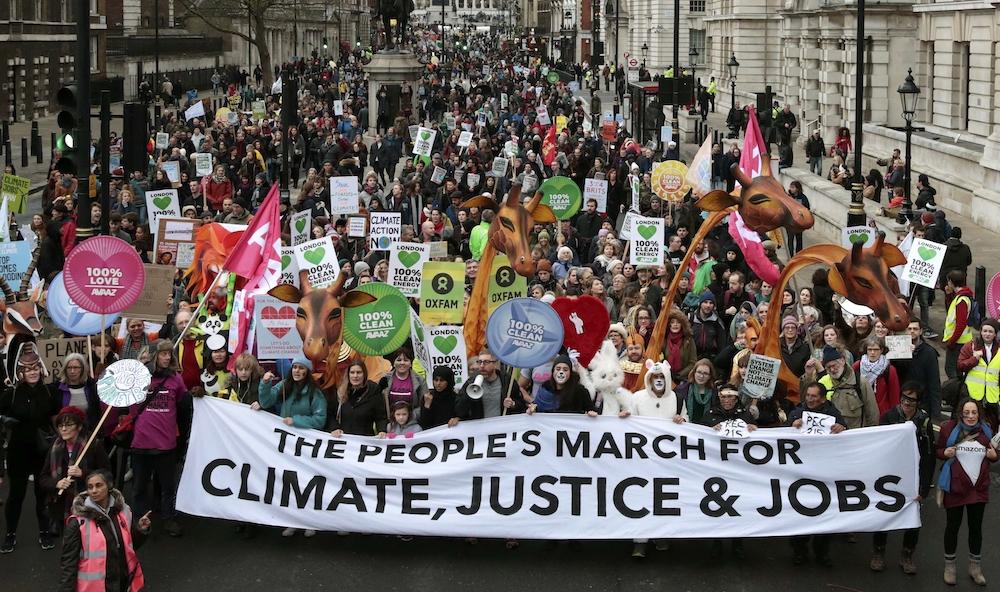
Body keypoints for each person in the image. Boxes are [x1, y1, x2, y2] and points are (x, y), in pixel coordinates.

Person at [870, 382, 936, 574]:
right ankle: (878, 552)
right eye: (904, 398)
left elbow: (929, 457)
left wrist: (924, 488)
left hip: (912, 477)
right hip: (889, 475)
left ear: (919, 402)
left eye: (912, 400)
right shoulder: (889, 416)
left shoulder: (923, 421)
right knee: (883, 513)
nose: (906, 403)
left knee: (912, 516)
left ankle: (907, 555)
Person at [258, 358, 327, 538]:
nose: (296, 371)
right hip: (287, 443)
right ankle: (293, 520)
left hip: (306, 445)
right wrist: (265, 384)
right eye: (294, 367)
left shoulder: (314, 393)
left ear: (307, 371)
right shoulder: (284, 385)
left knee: (307, 482)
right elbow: (266, 402)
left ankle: (311, 521)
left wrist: (296, 421)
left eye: (301, 368)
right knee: (290, 481)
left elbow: (320, 419)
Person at [129, 339, 189, 538]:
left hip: (165, 443)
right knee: (139, 486)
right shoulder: (138, 378)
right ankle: (139, 519)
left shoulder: (175, 379)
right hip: (141, 442)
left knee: (167, 486)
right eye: (163, 354)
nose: (167, 357)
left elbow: (182, 405)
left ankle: (169, 517)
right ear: (154, 356)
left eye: (169, 354)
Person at [0, 347, 58, 553]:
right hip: (18, 451)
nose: (32, 372)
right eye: (27, 369)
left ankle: (44, 531)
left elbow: (57, 418)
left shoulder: (50, 391)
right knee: (16, 494)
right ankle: (10, 534)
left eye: (35, 368)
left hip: (43, 451)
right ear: (20, 373)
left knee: (42, 493)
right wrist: (2, 419)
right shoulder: (11, 394)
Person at [936, 397, 997, 585]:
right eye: (967, 412)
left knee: (976, 529)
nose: (971, 416)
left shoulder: (986, 431)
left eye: (974, 412)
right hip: (956, 488)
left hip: (978, 490)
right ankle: (950, 567)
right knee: (952, 528)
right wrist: (944, 453)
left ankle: (975, 568)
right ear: (960, 413)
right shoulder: (948, 430)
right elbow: (938, 450)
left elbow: (994, 453)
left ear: (979, 414)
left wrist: (995, 456)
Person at [59, 470, 151, 592]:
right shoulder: (77, 523)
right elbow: (69, 564)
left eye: (99, 485)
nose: (94, 491)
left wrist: (140, 529)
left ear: (110, 485)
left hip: (122, 583)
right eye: (90, 487)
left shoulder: (124, 511)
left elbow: (129, 546)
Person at [786, 382, 846, 566]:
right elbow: (780, 438)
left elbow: (848, 437)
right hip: (801, 472)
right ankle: (800, 550)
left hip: (825, 472)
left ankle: (822, 552)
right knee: (801, 512)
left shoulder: (834, 414)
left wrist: (841, 429)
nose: (810, 399)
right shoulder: (797, 413)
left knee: (825, 513)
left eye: (814, 397)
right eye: (808, 396)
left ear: (823, 399)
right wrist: (791, 426)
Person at [702, 384, 757, 559]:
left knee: (738, 508)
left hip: (738, 470)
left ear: (736, 399)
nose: (727, 401)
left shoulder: (745, 415)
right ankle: (716, 544)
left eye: (730, 398)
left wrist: (754, 429)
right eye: (724, 397)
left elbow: (757, 440)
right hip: (716, 470)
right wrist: (710, 429)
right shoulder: (710, 415)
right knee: (716, 509)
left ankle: (737, 544)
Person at [40, 406, 113, 529]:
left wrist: (83, 473)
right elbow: (43, 478)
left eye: (68, 425)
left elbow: (107, 474)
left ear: (79, 426)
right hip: (62, 506)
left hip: (89, 504)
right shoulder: (55, 447)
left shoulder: (93, 445)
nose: (63, 429)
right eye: (60, 426)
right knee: (69, 544)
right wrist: (57, 483)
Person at [802, 345, 879, 429]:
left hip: (854, 436)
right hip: (830, 436)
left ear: (842, 361)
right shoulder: (823, 382)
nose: (832, 370)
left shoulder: (860, 383)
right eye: (828, 367)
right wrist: (808, 375)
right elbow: (806, 403)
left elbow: (872, 413)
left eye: (834, 365)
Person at [455, 349, 526, 420]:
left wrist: (513, 404)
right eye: (480, 362)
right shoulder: (470, 382)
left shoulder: (507, 380)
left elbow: (522, 405)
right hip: (480, 428)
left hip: (502, 427)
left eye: (486, 362)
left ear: (496, 364)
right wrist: (469, 393)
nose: (482, 366)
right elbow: (459, 410)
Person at [327, 359, 387, 438]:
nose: (355, 376)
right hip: (343, 440)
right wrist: (335, 428)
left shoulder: (374, 393)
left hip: (365, 441)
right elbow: (330, 415)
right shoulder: (340, 393)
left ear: (364, 374)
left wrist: (382, 430)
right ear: (348, 374)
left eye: (359, 372)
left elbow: (381, 417)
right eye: (352, 372)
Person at [958, 318, 1000, 429]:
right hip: (973, 394)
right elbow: (960, 365)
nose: (987, 334)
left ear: (995, 334)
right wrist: (974, 359)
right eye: (985, 331)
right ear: (981, 332)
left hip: (993, 396)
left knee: (992, 427)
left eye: (990, 332)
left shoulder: (999, 350)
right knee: (971, 425)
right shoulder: (970, 346)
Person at [527, 356, 597, 416]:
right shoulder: (545, 388)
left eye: (565, 370)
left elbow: (591, 410)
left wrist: (591, 413)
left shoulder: (580, 391)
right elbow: (536, 407)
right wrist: (531, 410)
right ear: (553, 371)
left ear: (570, 373)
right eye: (558, 369)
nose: (561, 372)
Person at [853, 335, 901, 417]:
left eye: (876, 350)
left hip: (882, 413)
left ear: (881, 350)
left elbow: (894, 394)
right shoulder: (858, 366)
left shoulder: (889, 369)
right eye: (870, 349)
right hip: (861, 412)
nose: (872, 353)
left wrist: (893, 415)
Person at [943, 269, 975, 380]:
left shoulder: (961, 300)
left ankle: (957, 392)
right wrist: (948, 296)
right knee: (957, 370)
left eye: (948, 282)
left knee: (951, 369)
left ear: (951, 282)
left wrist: (951, 342)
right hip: (960, 341)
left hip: (958, 342)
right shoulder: (961, 297)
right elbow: (952, 312)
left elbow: (961, 324)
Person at [380, 347, 428, 420]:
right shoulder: (385, 379)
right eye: (399, 360)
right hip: (390, 422)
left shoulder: (420, 381)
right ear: (393, 363)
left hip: (412, 422)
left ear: (411, 363)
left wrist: (410, 416)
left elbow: (424, 405)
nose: (402, 363)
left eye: (406, 360)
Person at [674, 359, 719, 425]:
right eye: (699, 372)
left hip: (706, 429)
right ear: (694, 372)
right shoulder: (681, 390)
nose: (701, 376)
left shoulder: (715, 393)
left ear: (710, 376)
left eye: (705, 373)